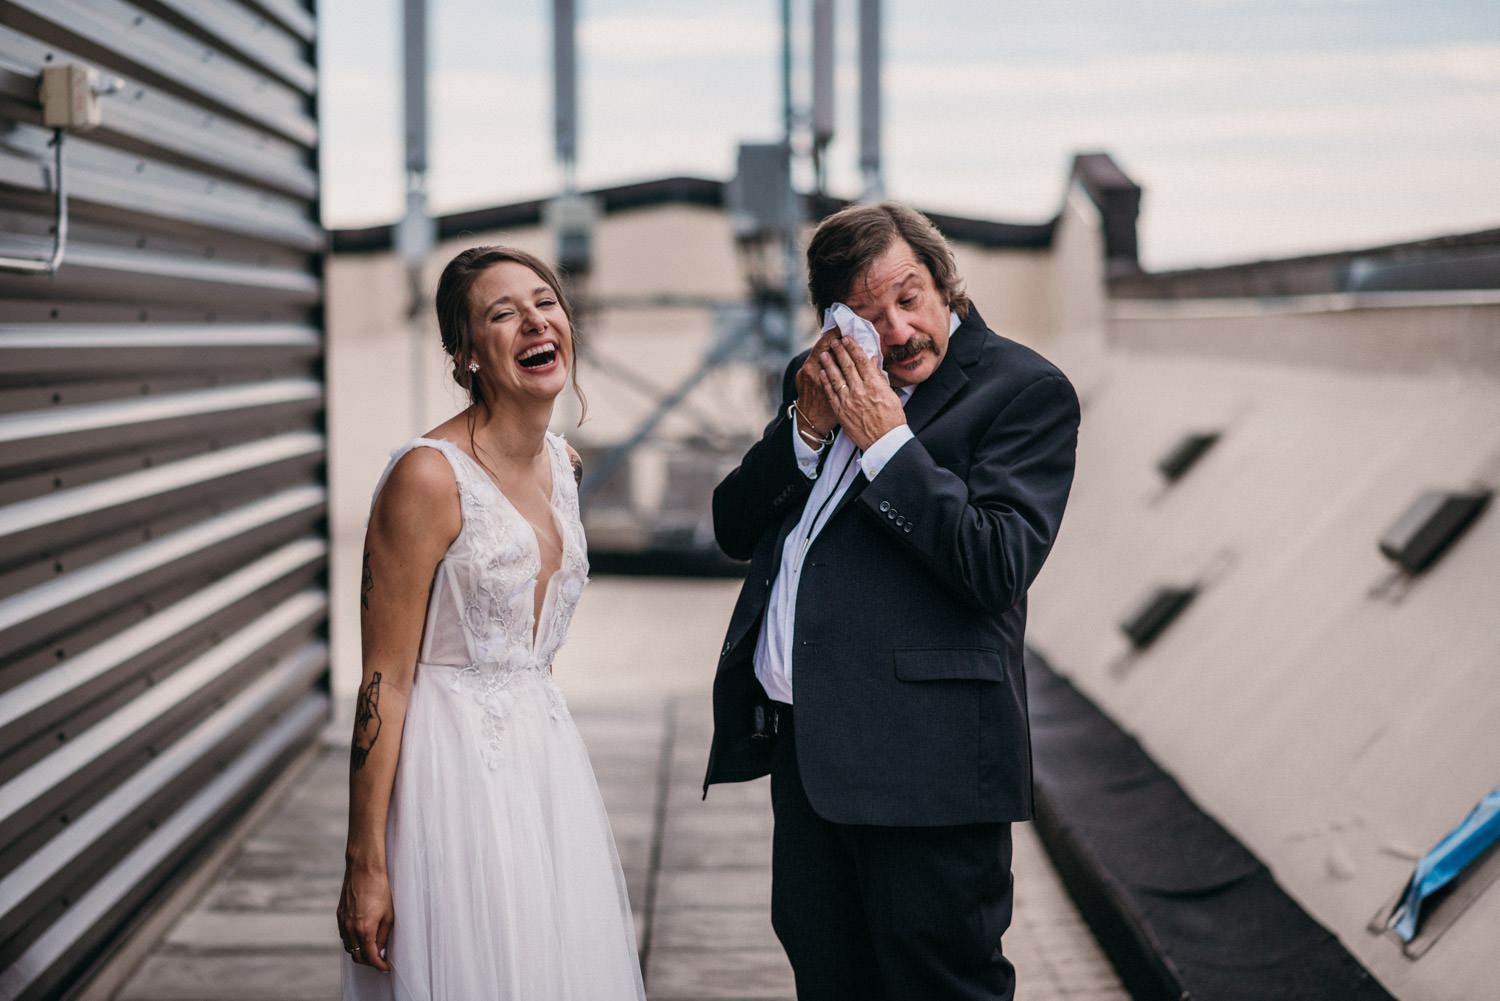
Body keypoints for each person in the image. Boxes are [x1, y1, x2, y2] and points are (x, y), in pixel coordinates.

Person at [703, 202, 1080, 1001]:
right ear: (837, 323)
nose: (900, 330)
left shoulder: (1024, 392)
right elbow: (734, 526)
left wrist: (886, 443)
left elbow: (995, 564)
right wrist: (805, 430)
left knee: (941, 985)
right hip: (812, 766)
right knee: (828, 977)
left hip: (929, 773)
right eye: (870, 316)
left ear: (946, 285)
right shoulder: (821, 385)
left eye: (910, 297)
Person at [337, 246, 645, 1001]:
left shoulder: (563, 462)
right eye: (503, 313)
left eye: (546, 302)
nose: (535, 322)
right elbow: (384, 679)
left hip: (545, 768)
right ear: (466, 353)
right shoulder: (426, 476)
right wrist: (365, 860)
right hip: (448, 775)